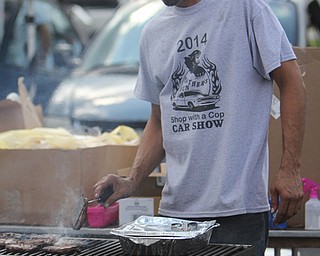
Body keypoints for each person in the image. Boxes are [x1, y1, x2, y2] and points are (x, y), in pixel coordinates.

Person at [94, 0, 306, 255]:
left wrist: (290, 168)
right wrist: (131, 180)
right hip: (175, 215)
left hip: (238, 212)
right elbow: (160, 120)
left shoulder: (244, 8)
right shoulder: (153, 32)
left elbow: (291, 80)